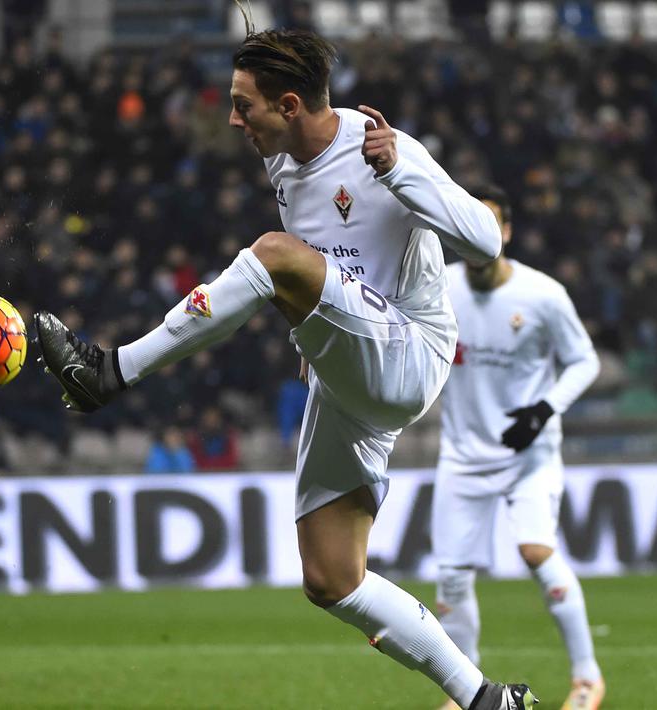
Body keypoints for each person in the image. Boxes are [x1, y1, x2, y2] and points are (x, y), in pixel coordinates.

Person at [33, 15, 536, 710]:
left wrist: (406, 175)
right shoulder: (281, 157)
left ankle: (106, 372)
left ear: (289, 105)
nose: (233, 120)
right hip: (345, 376)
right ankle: (485, 698)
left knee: (272, 254)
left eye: (244, 105)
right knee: (332, 578)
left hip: (410, 351)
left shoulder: (379, 147)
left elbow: (484, 243)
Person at [432, 186, 604, 710]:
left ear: (504, 232)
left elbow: (584, 362)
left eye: (489, 223)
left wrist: (544, 410)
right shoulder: (437, 287)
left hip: (530, 453)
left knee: (536, 551)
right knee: (451, 578)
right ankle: (468, 692)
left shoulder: (543, 295)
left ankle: (587, 677)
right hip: (462, 454)